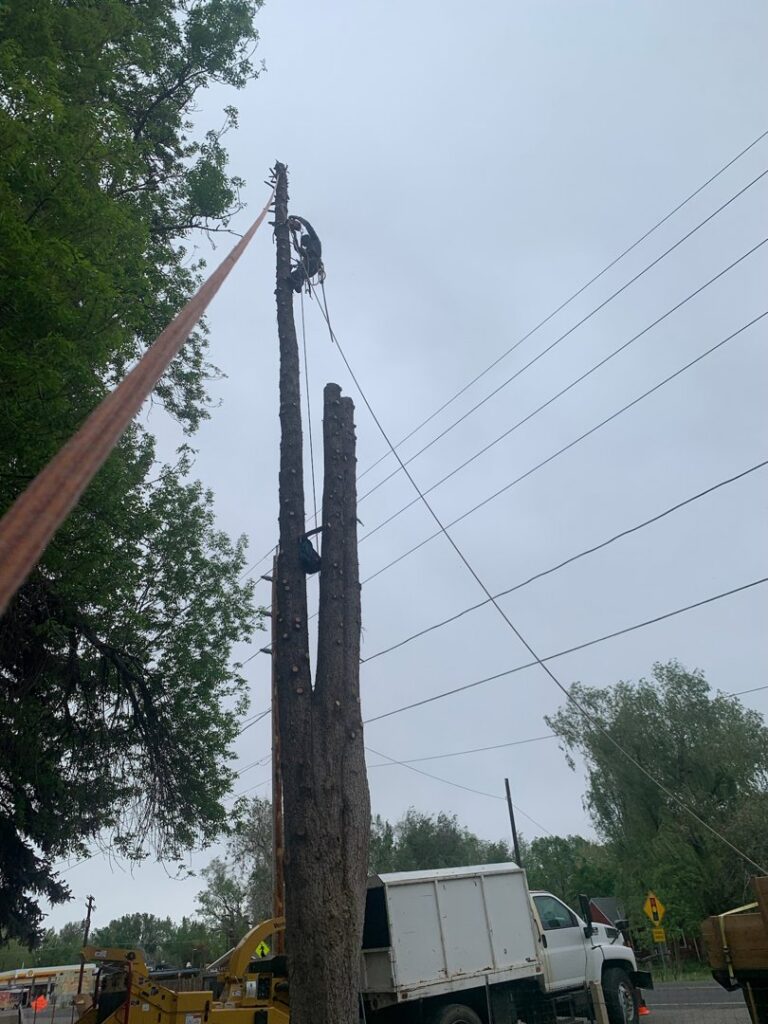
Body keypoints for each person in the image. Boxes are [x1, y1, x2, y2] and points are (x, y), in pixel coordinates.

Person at [288, 216, 323, 292]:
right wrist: (294, 234)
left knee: (301, 271)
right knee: (294, 275)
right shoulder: (306, 251)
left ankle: (298, 283)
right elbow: (296, 248)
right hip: (310, 268)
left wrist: (297, 218)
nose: (304, 245)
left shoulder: (315, 240)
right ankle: (296, 284)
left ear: (308, 239)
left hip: (314, 262)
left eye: (304, 243)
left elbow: (308, 225)